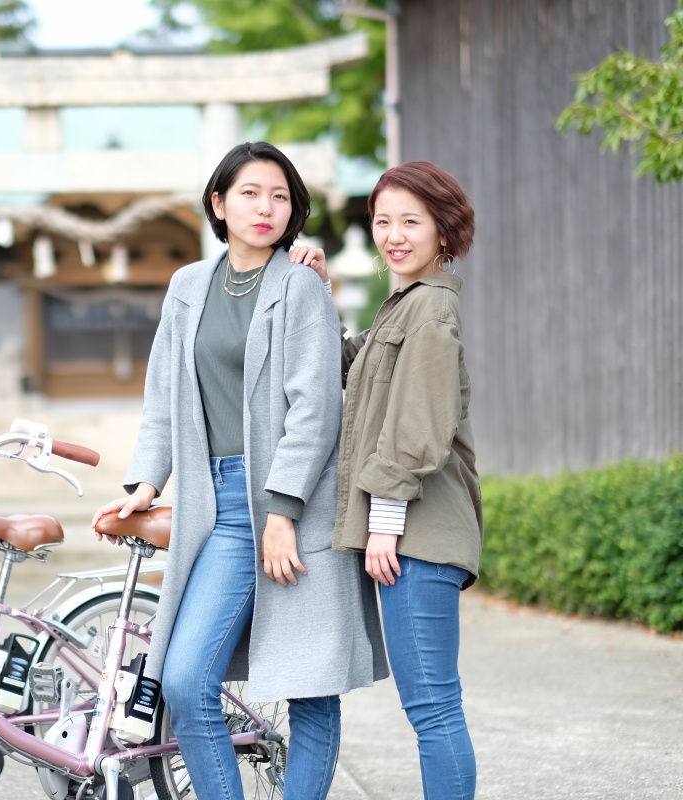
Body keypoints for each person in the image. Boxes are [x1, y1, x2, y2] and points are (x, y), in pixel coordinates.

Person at [92, 141, 388, 800]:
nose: (267, 207)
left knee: (309, 683)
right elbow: (165, 394)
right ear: (219, 204)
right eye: (251, 193)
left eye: (280, 196)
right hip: (220, 507)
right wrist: (144, 484)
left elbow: (315, 409)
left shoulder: (301, 286)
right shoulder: (187, 286)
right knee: (184, 676)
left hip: (299, 504)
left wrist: (281, 512)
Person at [309, 160, 482, 800]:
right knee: (432, 705)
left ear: (444, 228)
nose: (394, 235)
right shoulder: (403, 307)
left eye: (411, 220)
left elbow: (420, 430)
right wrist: (319, 297)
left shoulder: (432, 311)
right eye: (383, 221)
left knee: (433, 707)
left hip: (418, 535)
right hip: (411, 534)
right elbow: (353, 377)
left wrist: (384, 521)